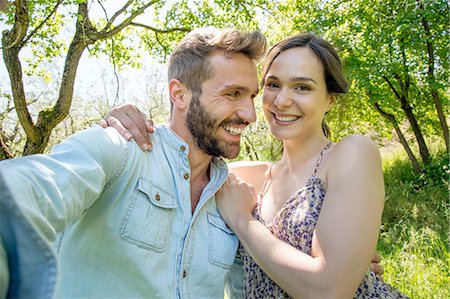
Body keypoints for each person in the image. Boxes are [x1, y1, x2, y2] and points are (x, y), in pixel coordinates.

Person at [105, 33, 408, 298]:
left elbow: (329, 291)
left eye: (302, 87)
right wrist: (124, 122)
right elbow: (174, 155)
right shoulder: (235, 177)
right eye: (273, 85)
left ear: (330, 99)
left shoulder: (350, 154)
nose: (282, 101)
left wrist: (243, 222)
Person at [0, 27, 267, 298]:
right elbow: (28, 192)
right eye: (233, 94)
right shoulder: (120, 149)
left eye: (252, 96)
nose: (250, 114)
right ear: (179, 94)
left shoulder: (232, 202)